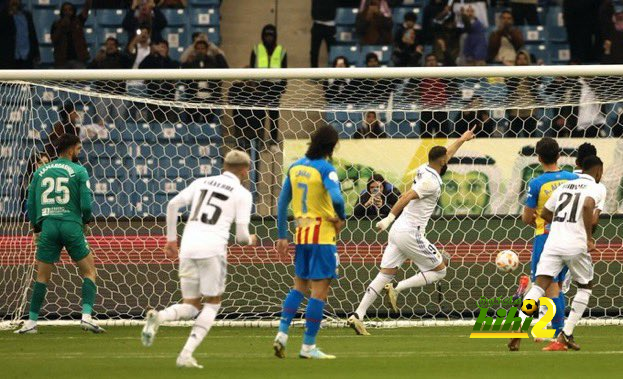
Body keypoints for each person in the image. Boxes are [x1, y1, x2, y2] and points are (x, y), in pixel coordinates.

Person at [347, 127, 477, 336]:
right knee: (440, 269)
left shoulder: (426, 168)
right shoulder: (431, 182)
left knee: (384, 274)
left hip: (399, 231)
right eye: (446, 158)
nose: (448, 158)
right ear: (442, 161)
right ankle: (397, 289)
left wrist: (462, 138)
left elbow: (447, 153)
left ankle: (358, 315)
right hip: (409, 232)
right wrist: (388, 219)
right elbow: (406, 196)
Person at [141, 150, 256, 369]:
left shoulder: (201, 182)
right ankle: (185, 355)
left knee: (191, 306)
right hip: (212, 250)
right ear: (244, 170)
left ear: (224, 165)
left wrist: (172, 240)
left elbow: (172, 205)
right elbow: (241, 237)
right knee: (212, 304)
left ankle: (159, 317)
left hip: (188, 247)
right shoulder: (242, 194)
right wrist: (251, 239)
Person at [15, 134, 102, 334]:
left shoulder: (41, 172)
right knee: (89, 271)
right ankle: (86, 317)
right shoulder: (79, 170)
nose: (79, 152)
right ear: (71, 149)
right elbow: (86, 204)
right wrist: (86, 221)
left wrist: (37, 229)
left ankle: (31, 322)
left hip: (48, 226)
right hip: (71, 225)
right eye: (78, 148)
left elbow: (30, 203)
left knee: (42, 277)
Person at [273, 125, 346, 359]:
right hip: (322, 236)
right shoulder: (325, 168)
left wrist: (282, 236)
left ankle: (282, 334)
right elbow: (336, 197)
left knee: (299, 287)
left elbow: (282, 205)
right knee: (319, 293)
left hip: (301, 236)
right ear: (331, 146)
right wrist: (340, 217)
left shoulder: (295, 167)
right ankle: (308, 347)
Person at [520, 156, 605, 351]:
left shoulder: (564, 187)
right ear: (599, 171)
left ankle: (519, 325)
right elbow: (587, 206)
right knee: (585, 286)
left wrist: (560, 225)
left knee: (539, 286)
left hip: (553, 242)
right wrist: (589, 238)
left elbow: (545, 213)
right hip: (575, 244)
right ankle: (565, 333)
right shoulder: (595, 187)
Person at [509, 137, 578, 351]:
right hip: (570, 236)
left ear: (538, 158)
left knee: (539, 286)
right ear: (559, 155)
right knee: (555, 287)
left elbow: (526, 217)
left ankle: (521, 326)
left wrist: (539, 222)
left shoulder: (537, 183)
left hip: (546, 236)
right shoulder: (573, 179)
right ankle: (560, 336)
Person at [250, 24, 287, 150]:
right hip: (260, 86)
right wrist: (253, 85)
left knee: (273, 116)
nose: (269, 38)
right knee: (259, 115)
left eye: (271, 35)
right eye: (266, 35)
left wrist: (282, 86)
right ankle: (259, 141)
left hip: (274, 87)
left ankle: (273, 142)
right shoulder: (256, 49)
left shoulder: (281, 50)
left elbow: (285, 69)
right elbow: (251, 68)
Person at [182, 39, 228, 123]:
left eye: (202, 48)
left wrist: (215, 50)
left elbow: (225, 68)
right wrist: (191, 48)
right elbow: (181, 68)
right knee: (191, 123)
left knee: (209, 123)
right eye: (198, 48)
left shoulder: (214, 61)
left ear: (207, 50)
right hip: (193, 100)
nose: (200, 51)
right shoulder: (191, 62)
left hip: (211, 100)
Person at [88, 37, 130, 124]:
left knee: (119, 122)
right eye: (107, 44)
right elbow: (88, 70)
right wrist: (96, 59)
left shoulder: (122, 58)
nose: (109, 47)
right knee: (101, 123)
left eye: (112, 45)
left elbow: (130, 61)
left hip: (119, 94)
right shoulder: (100, 58)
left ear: (116, 46)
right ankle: (102, 138)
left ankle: (120, 138)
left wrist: (118, 53)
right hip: (102, 93)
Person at [139, 39, 179, 122]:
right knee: (153, 126)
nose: (161, 49)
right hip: (153, 100)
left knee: (169, 126)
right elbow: (141, 67)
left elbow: (173, 70)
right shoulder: (151, 61)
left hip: (169, 100)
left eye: (163, 47)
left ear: (167, 49)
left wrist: (164, 57)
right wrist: (151, 54)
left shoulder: (172, 62)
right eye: (159, 47)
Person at [506, 51, 539, 137]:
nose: (522, 61)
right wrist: (511, 70)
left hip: (530, 111)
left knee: (530, 139)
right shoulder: (511, 74)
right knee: (511, 138)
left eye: (524, 59)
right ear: (516, 61)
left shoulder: (533, 74)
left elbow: (539, 82)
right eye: (519, 59)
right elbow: (509, 85)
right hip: (515, 111)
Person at [51, 1, 92, 69]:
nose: (67, 12)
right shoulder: (56, 24)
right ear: (62, 11)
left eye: (70, 9)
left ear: (73, 11)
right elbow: (53, 39)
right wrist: (61, 27)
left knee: (81, 79)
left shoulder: (78, 21)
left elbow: (86, 9)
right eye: (65, 10)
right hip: (62, 62)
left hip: (78, 60)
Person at [0, 0, 40, 69]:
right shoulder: (3, 16)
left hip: (26, 57)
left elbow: (32, 35)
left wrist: (36, 54)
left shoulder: (27, 15)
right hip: (9, 58)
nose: (14, 1)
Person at [310, 0, 336, 67]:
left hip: (330, 26)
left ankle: (333, 73)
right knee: (314, 52)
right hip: (317, 25)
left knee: (332, 52)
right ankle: (314, 74)